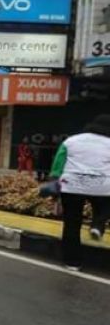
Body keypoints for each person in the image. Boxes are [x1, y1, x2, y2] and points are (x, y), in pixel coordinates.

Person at [49, 115, 110, 269]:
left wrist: (54, 182)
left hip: (72, 185)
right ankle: (98, 225)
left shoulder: (71, 141)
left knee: (71, 223)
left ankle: (72, 262)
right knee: (104, 207)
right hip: (101, 185)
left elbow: (57, 165)